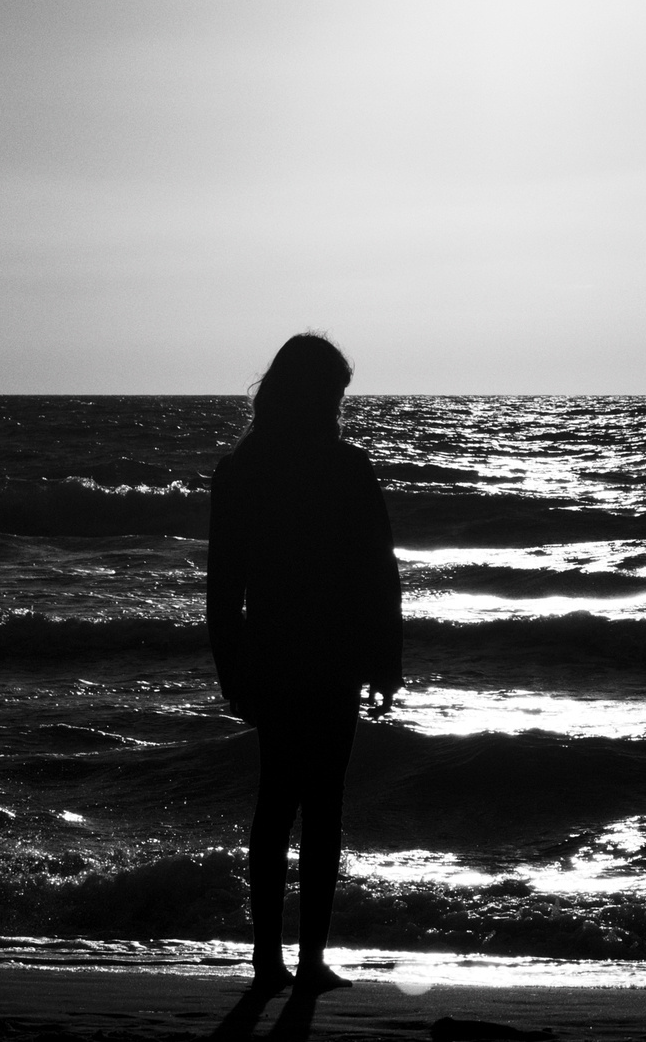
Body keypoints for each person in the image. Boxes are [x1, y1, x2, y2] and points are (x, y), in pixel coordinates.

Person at [206, 333, 402, 997]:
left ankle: (274, 960)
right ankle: (300, 958)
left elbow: (222, 589)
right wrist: (386, 657)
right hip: (326, 654)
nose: (340, 407)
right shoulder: (345, 468)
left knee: (281, 801)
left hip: (279, 654)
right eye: (336, 393)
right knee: (319, 805)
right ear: (313, 393)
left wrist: (233, 668)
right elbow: (380, 573)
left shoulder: (243, 471)